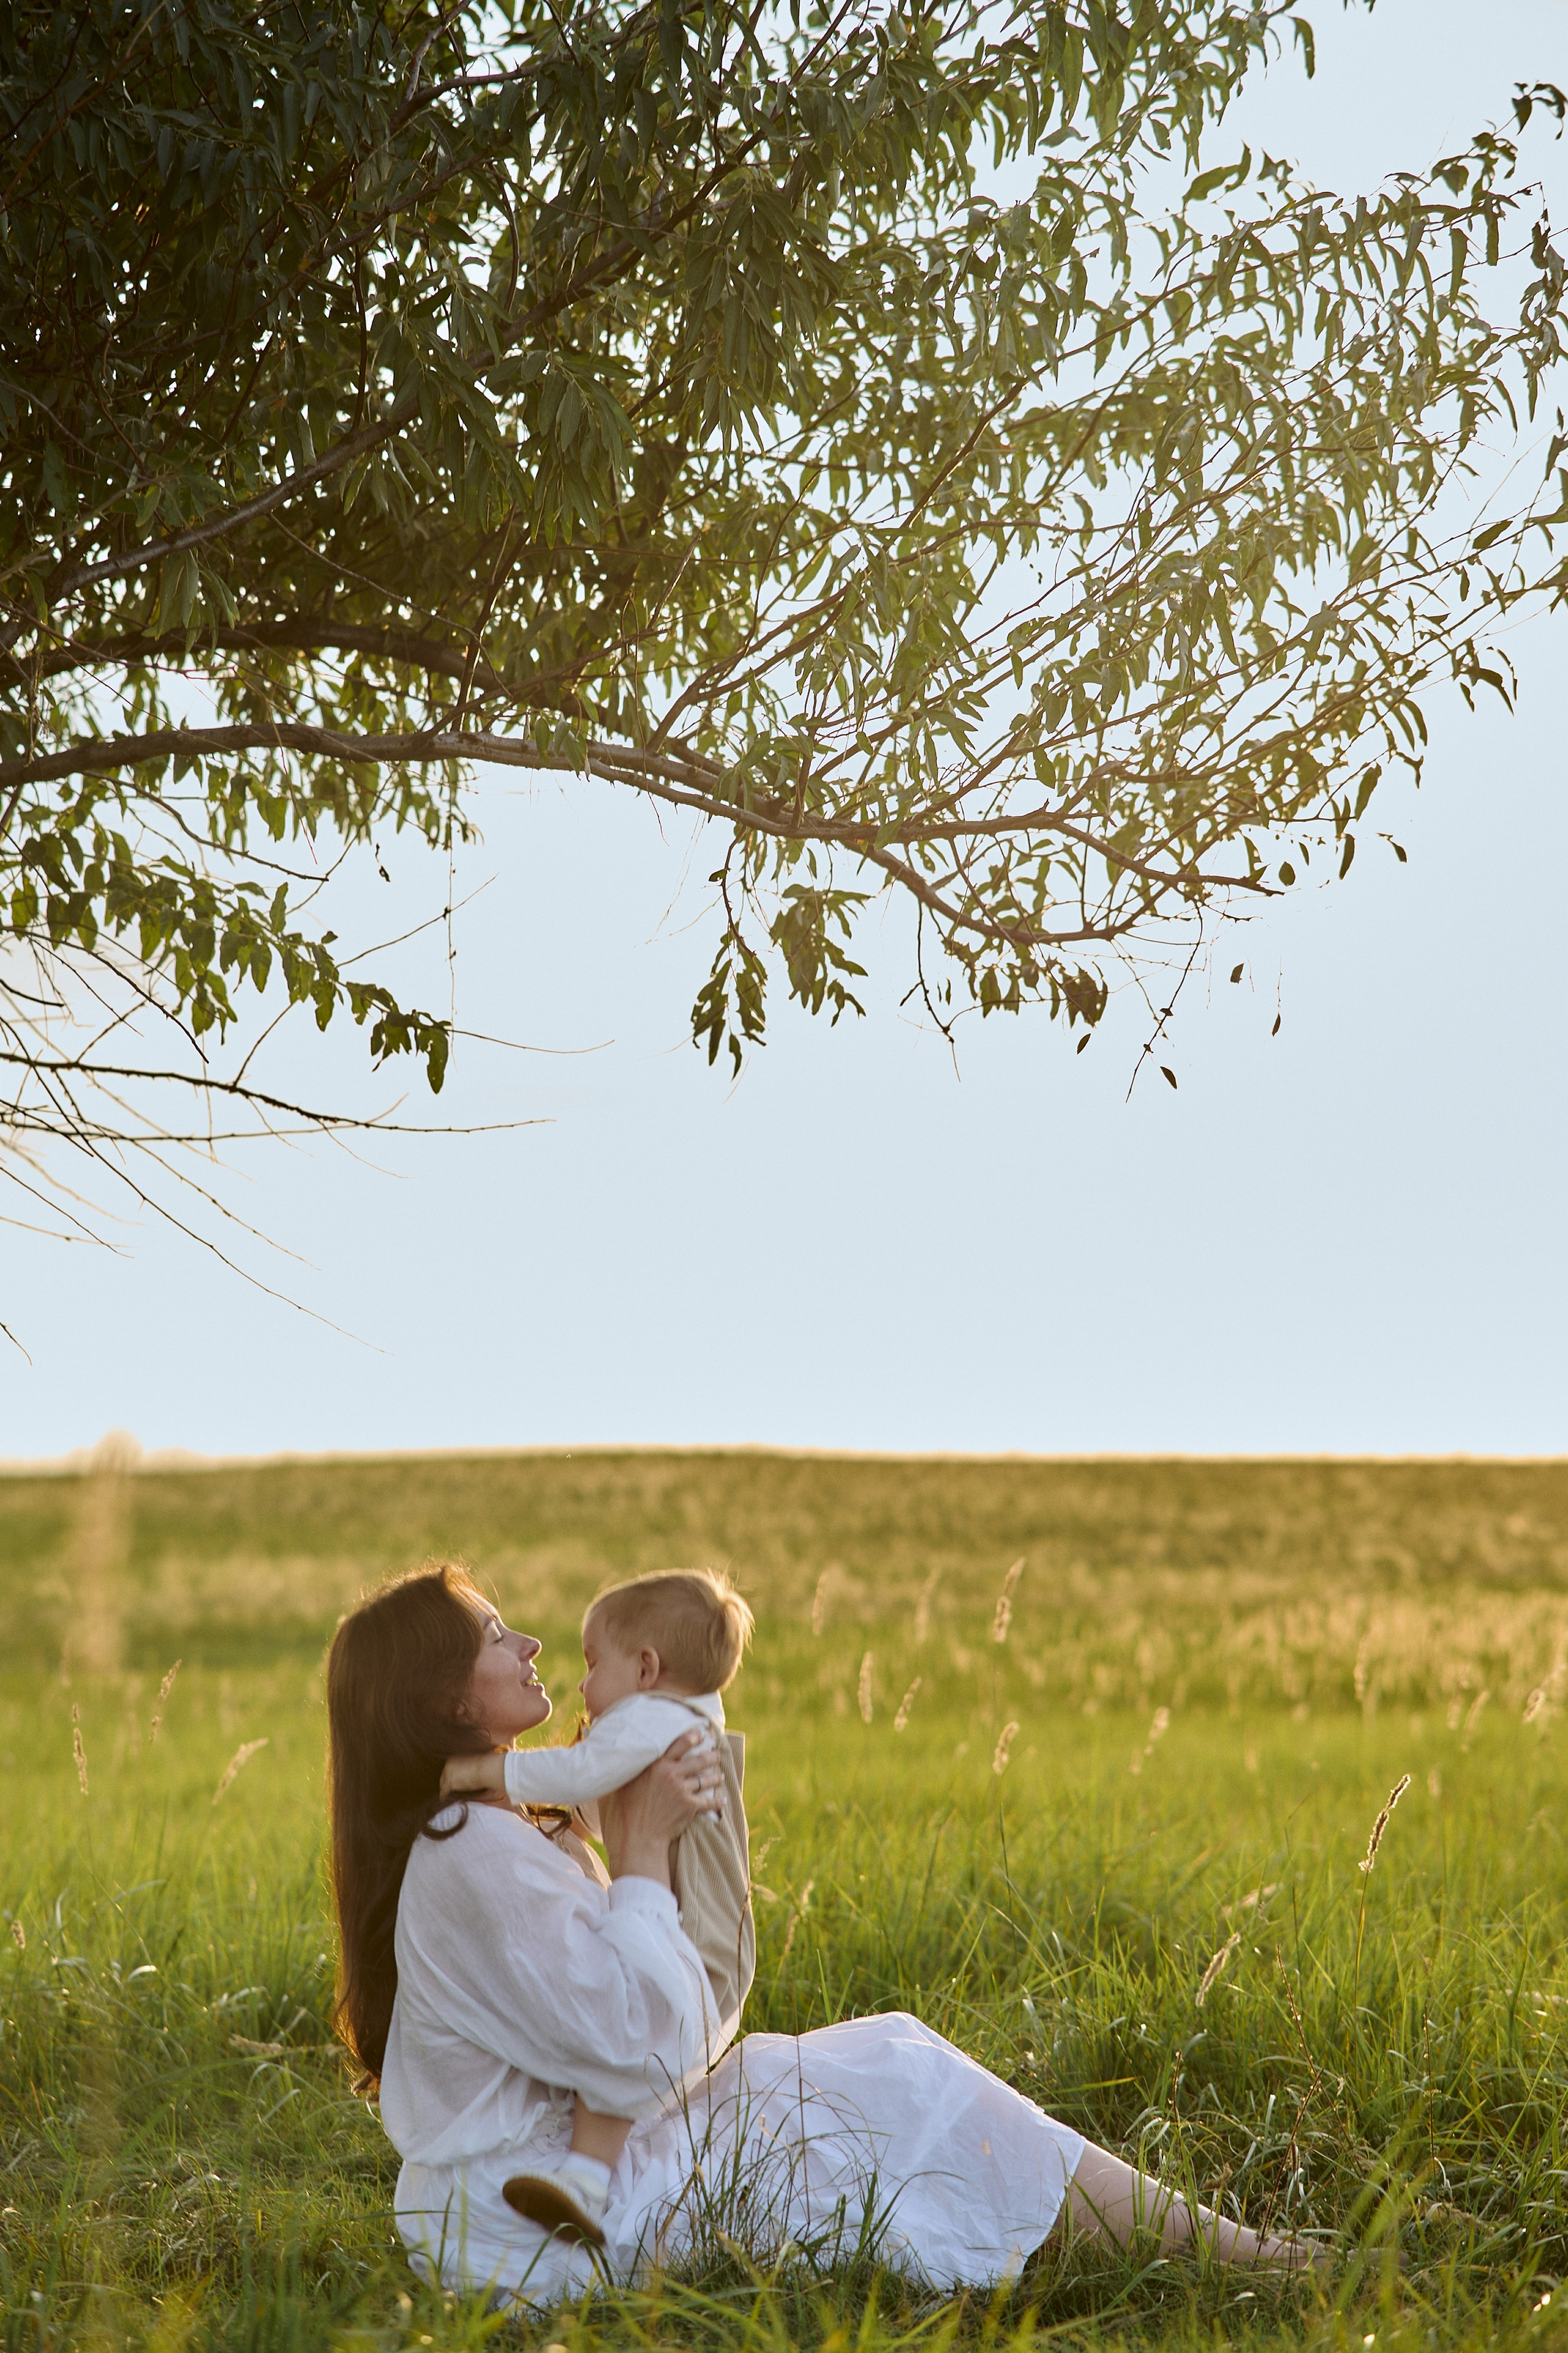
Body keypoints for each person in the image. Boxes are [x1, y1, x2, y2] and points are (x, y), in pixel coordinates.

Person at [326, 1565, 1320, 2308]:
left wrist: (637, 1827)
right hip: (531, 2230)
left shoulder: (488, 1824)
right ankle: (1240, 2260)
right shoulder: (471, 1857)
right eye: (498, 1634)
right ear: (446, 1699)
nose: (534, 1643)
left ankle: (1205, 2244)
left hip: (538, 2194)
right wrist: (646, 1856)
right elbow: (645, 2053)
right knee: (890, 2078)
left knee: (884, 2067)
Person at [437, 1568, 757, 2249]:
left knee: (624, 2039)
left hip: (696, 1943)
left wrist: (484, 1773)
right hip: (716, 1946)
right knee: (624, 2050)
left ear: (646, 1667)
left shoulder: (653, 1718)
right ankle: (584, 2181)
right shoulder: (680, 1719)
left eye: (591, 1663)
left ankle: (586, 2177)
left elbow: (582, 1779)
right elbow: (594, 1804)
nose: (580, 1686)